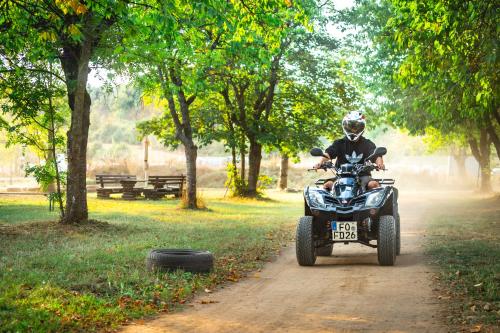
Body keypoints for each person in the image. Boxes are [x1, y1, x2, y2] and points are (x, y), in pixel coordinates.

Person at [314, 111, 385, 191]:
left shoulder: (367, 144)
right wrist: (320, 163)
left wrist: (380, 163)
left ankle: (372, 203)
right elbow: (328, 154)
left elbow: (376, 155)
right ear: (345, 127)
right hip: (341, 177)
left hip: (363, 176)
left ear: (362, 128)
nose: (353, 130)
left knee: (373, 185)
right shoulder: (339, 143)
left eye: (356, 128)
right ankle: (328, 204)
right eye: (350, 127)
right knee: (328, 185)